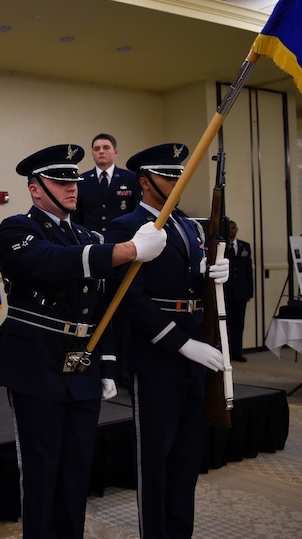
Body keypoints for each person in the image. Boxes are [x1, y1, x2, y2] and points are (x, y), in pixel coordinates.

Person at [0, 143, 166, 538]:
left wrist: (105, 364)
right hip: (36, 363)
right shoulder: (18, 228)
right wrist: (127, 249)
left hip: (82, 363)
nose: (72, 188)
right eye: (59, 180)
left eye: (74, 179)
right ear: (36, 188)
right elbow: (50, 262)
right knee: (41, 470)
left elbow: (104, 307)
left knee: (75, 470)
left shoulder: (88, 234)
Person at [105, 143, 230, 538]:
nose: (177, 181)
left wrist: (212, 273)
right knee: (155, 462)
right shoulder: (127, 228)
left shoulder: (189, 226)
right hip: (157, 354)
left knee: (186, 457)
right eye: (167, 175)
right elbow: (130, 299)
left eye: (179, 175)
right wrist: (180, 343)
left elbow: (190, 284)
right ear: (145, 182)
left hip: (195, 350)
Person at [73, 133, 141, 234]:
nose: (101, 151)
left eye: (106, 148)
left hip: (122, 238)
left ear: (115, 152)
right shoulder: (82, 180)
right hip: (92, 240)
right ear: (92, 154)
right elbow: (77, 216)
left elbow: (136, 211)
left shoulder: (130, 178)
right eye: (96, 149)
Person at [225, 220, 254, 362]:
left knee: (239, 323)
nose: (231, 231)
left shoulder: (244, 246)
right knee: (227, 324)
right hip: (226, 292)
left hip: (241, 292)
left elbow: (249, 270)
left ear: (237, 229)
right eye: (229, 228)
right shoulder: (223, 246)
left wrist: (250, 291)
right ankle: (227, 352)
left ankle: (237, 351)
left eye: (233, 228)